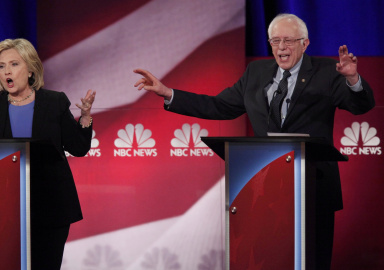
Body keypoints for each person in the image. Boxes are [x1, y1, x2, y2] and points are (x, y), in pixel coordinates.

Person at [133, 13, 374, 270]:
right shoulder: (256, 72)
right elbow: (220, 106)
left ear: (305, 44)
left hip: (312, 188)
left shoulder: (327, 72)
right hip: (263, 188)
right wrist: (168, 93)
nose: (281, 47)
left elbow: (360, 106)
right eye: (275, 41)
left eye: (289, 41)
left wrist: (352, 80)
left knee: (312, 260)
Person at [0, 38, 96, 269]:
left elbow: (79, 147)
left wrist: (84, 117)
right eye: (1, 66)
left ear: (31, 68)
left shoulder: (55, 101)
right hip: (5, 210)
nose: (6, 72)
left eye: (14, 64)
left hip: (51, 207)